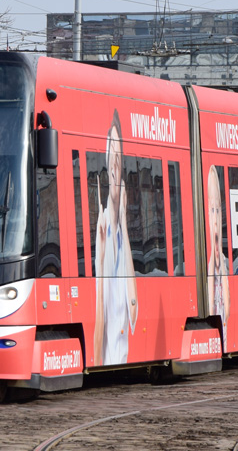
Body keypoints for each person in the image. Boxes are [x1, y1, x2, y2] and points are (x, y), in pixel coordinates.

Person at [93, 110, 137, 366]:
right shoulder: (103, 229)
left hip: (123, 357)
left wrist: (125, 230)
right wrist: (100, 259)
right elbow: (101, 313)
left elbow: (134, 308)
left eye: (119, 159)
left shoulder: (121, 232)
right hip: (108, 358)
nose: (115, 166)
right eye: (111, 159)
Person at [205, 165, 229, 326]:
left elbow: (227, 308)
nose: (215, 218)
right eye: (212, 210)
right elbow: (210, 307)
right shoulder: (211, 264)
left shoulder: (223, 261)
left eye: (218, 210)